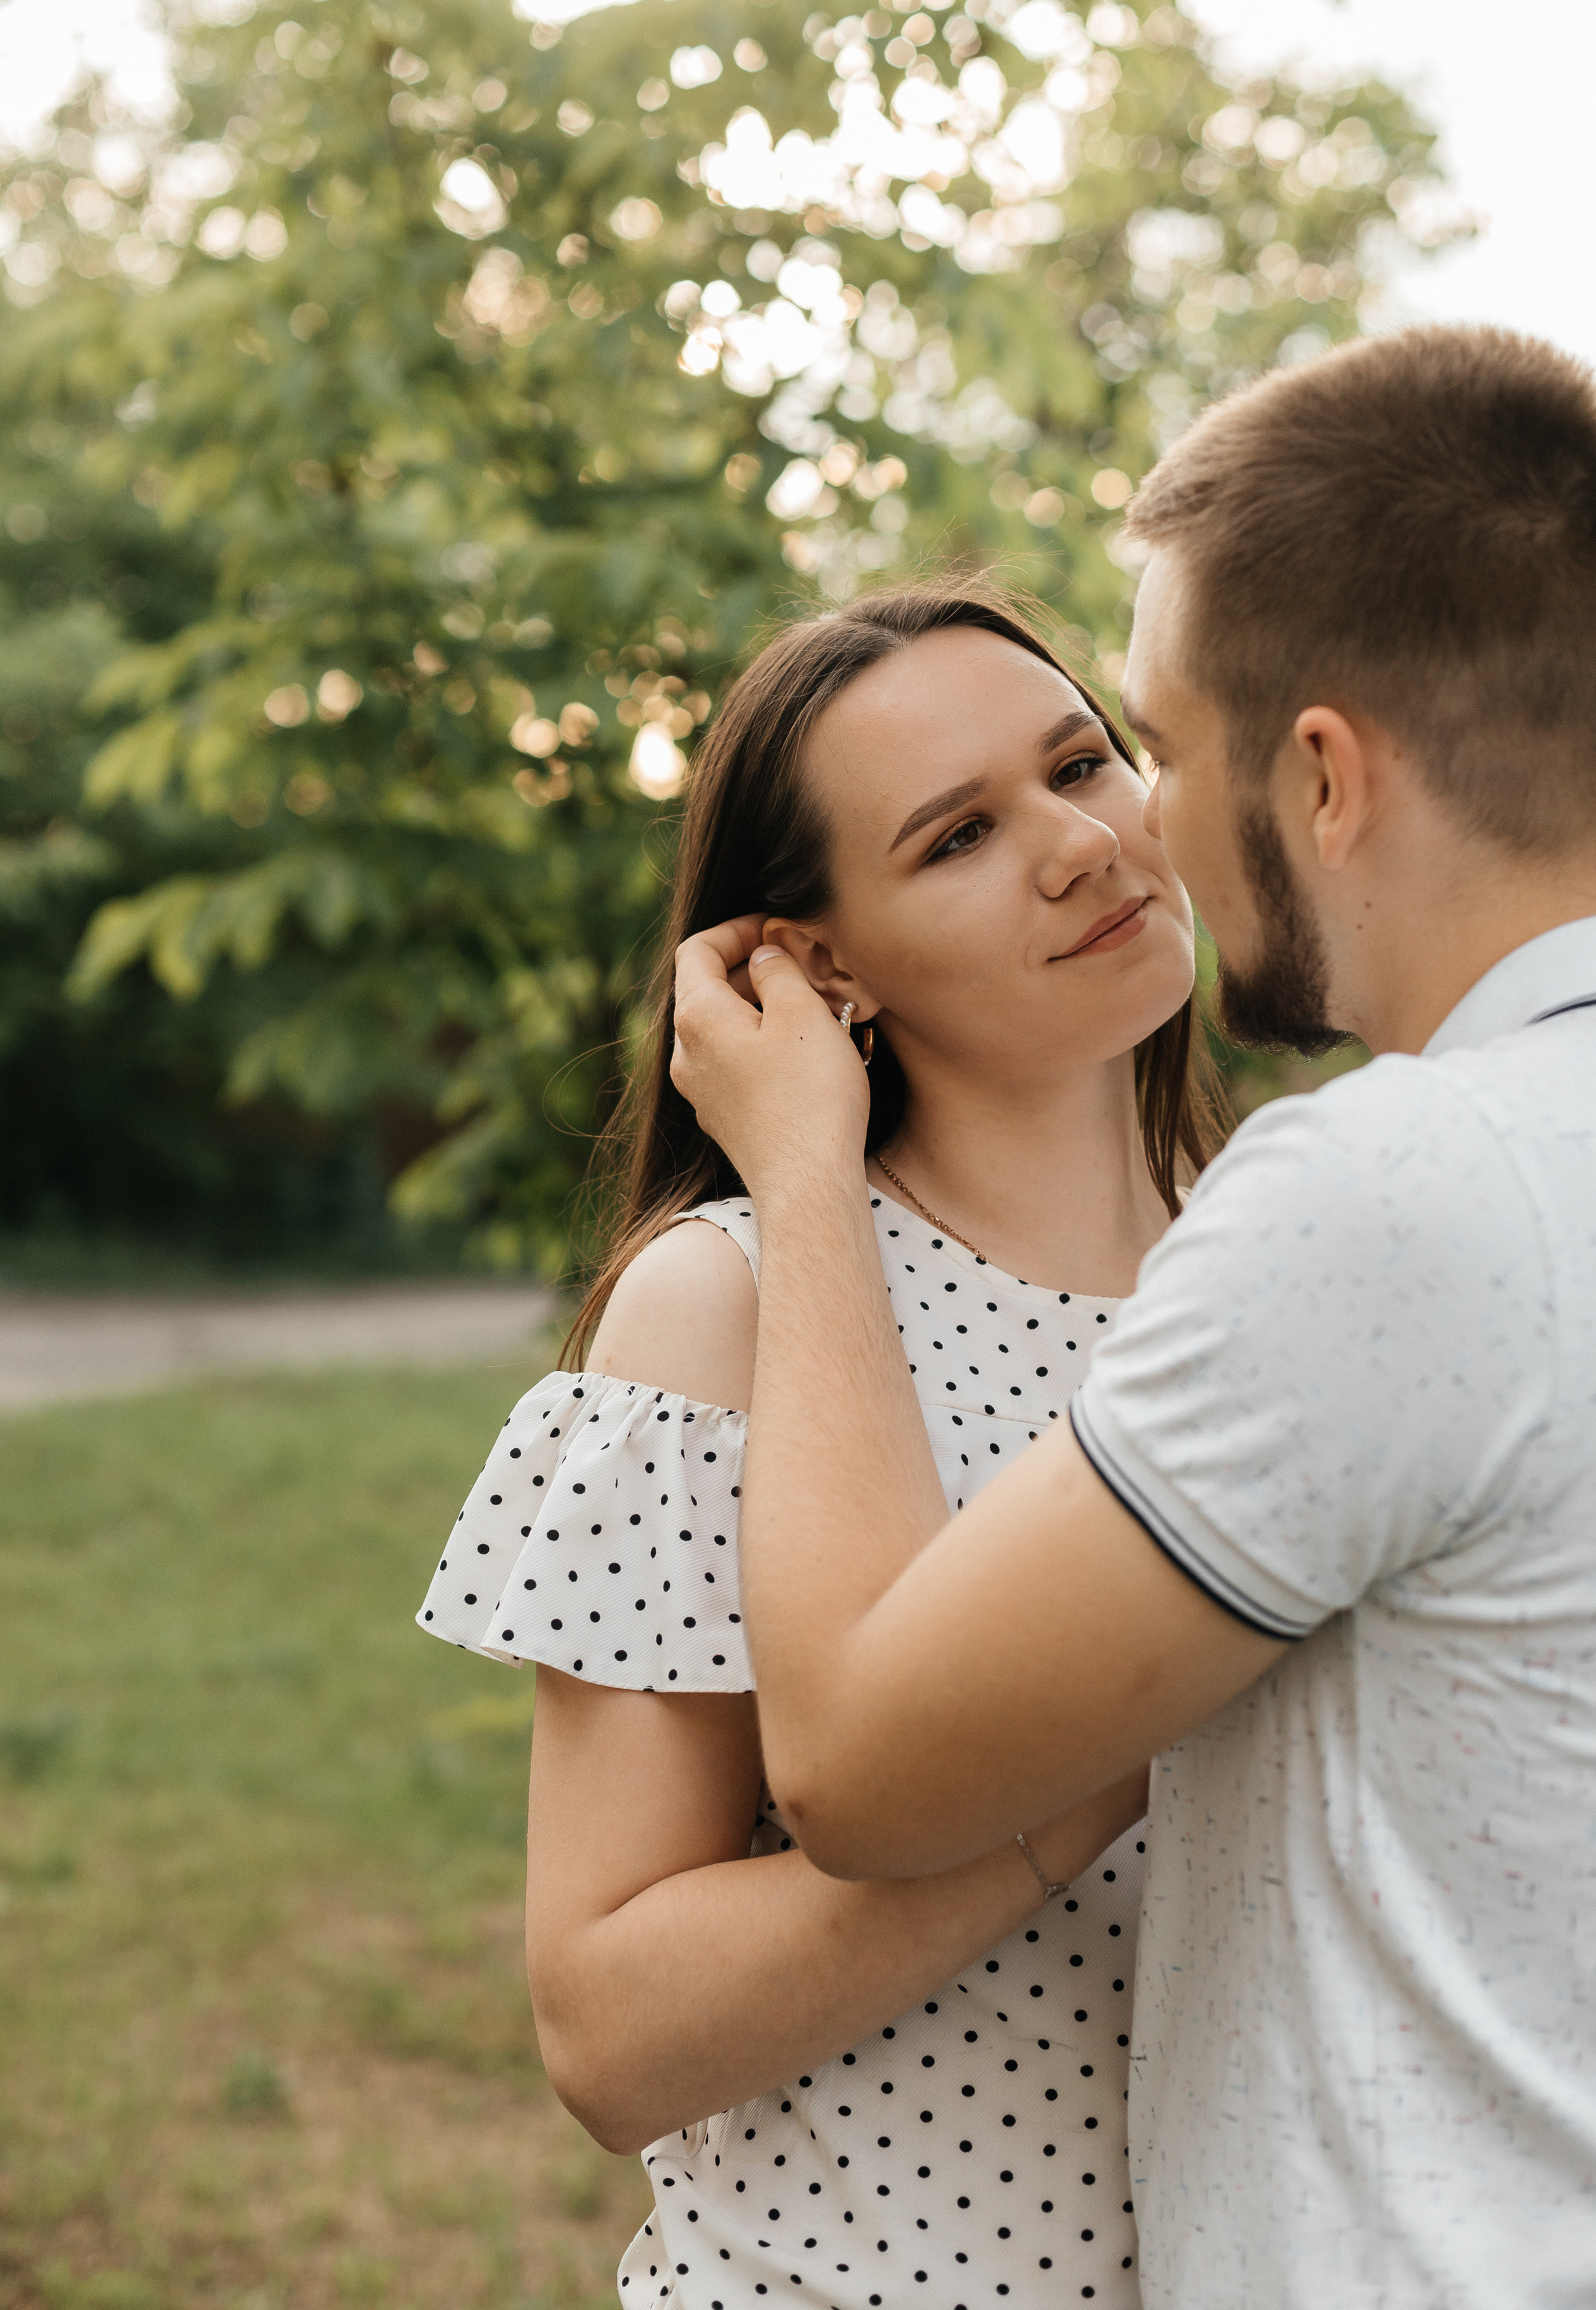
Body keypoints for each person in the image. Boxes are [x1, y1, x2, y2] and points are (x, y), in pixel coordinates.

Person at [668, 323, 1596, 2310]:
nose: (1127, 833)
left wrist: (806, 1183)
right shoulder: (705, 1309)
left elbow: (860, 1766)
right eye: (960, 828)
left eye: (1138, 748)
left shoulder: (1389, 1195)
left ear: (1325, 775)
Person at [416, 580, 1229, 2309]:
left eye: (1084, 763)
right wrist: (1126, 1728)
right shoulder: (720, 1307)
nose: (1081, 845)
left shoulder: (1296, 1262)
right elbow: (612, 2034)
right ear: (817, 960)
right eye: (956, 838)